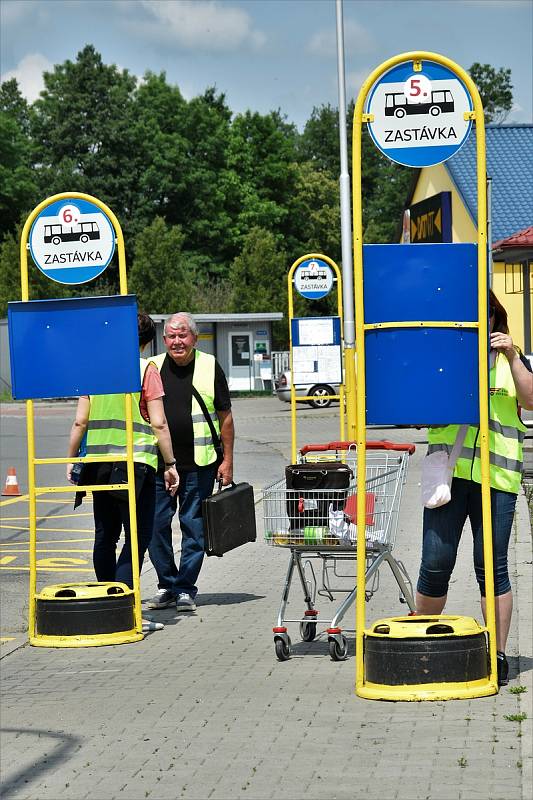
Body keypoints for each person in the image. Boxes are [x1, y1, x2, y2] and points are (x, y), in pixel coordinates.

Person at [415, 290, 533, 685]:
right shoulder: (445, 361)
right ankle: (423, 646)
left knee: (492, 568)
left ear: (497, 320)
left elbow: (531, 401)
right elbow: (419, 408)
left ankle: (496, 654)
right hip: (449, 477)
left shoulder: (510, 362)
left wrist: (514, 356)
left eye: (488, 318)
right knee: (435, 564)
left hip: (496, 479)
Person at [66, 313, 179, 633]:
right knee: (137, 538)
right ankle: (123, 611)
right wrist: (170, 464)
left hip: (97, 465)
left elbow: (80, 422)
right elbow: (158, 423)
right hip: (136, 464)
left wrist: (71, 459)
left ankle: (106, 606)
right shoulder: (146, 369)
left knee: (105, 535)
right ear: (147, 340)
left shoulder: (94, 368)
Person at [147, 312, 234, 612]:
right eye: (171, 336)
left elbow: (226, 419)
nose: (176, 341)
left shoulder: (210, 366)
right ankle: (167, 584)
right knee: (155, 525)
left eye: (182, 335)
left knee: (193, 527)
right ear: (164, 339)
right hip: (158, 464)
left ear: (194, 338)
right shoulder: (152, 367)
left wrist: (228, 461)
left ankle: (185, 588)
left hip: (200, 462)